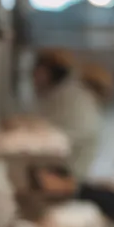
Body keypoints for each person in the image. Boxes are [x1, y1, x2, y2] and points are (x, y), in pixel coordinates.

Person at [32, 49, 103, 179]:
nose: (34, 78)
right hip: (68, 161)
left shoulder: (70, 96)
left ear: (48, 72)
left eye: (37, 72)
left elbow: (63, 134)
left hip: (72, 165)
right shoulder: (61, 92)